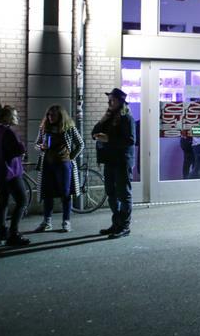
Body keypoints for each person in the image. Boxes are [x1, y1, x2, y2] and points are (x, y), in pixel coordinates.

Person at [0, 103, 30, 246]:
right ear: (7, 118)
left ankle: (1, 233)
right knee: (22, 201)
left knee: (3, 202)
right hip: (11, 173)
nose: (17, 117)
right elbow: (18, 149)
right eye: (15, 115)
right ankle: (13, 234)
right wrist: (23, 149)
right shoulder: (8, 132)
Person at [93, 88, 136, 239]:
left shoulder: (127, 118)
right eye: (108, 100)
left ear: (120, 101)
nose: (109, 102)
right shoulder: (109, 117)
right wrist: (103, 119)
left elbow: (130, 140)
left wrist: (108, 139)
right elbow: (94, 133)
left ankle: (124, 226)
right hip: (109, 160)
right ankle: (116, 222)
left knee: (124, 195)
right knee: (111, 193)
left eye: (112, 99)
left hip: (122, 161)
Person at [34, 104, 84, 233]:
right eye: (49, 115)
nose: (50, 117)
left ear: (60, 116)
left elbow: (80, 144)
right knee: (47, 193)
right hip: (48, 165)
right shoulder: (44, 128)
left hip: (63, 164)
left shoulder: (69, 128)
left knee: (65, 193)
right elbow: (36, 144)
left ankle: (66, 221)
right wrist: (41, 147)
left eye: (53, 115)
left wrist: (70, 157)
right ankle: (47, 222)